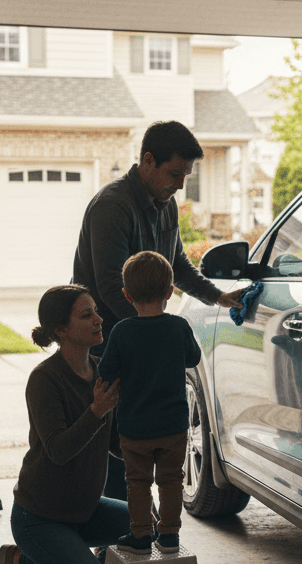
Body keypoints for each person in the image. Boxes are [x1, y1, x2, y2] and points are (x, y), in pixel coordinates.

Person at [72, 120, 245, 498]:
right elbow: (109, 284)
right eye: (175, 173)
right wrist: (152, 331)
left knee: (140, 442)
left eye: (186, 175)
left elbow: (178, 265)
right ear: (148, 161)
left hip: (140, 337)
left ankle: (137, 523)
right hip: (107, 347)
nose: (180, 184)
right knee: (113, 446)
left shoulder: (166, 207)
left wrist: (218, 297)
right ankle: (116, 532)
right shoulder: (112, 207)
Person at [0, 284, 136, 564]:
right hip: (40, 517)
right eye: (86, 315)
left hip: (85, 509)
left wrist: (149, 451)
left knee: (147, 523)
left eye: (96, 311)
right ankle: (20, 562)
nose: (99, 319)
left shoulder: (104, 370)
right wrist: (96, 412)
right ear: (61, 331)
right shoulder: (45, 379)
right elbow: (59, 450)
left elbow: (115, 442)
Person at [97, 251, 201, 556]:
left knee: (138, 482)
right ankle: (169, 535)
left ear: (127, 295)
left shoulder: (122, 331)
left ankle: (141, 534)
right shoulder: (178, 327)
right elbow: (193, 358)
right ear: (170, 292)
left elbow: (106, 372)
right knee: (171, 480)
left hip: (134, 427)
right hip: (173, 425)